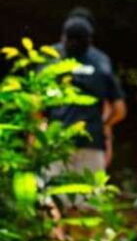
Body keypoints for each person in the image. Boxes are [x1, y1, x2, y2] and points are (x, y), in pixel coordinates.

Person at [49, 14, 127, 172]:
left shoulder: (51, 61)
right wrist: (102, 127)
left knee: (52, 195)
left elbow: (36, 109)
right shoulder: (101, 63)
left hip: (56, 144)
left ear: (64, 37)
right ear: (90, 40)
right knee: (89, 196)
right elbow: (119, 110)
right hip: (91, 144)